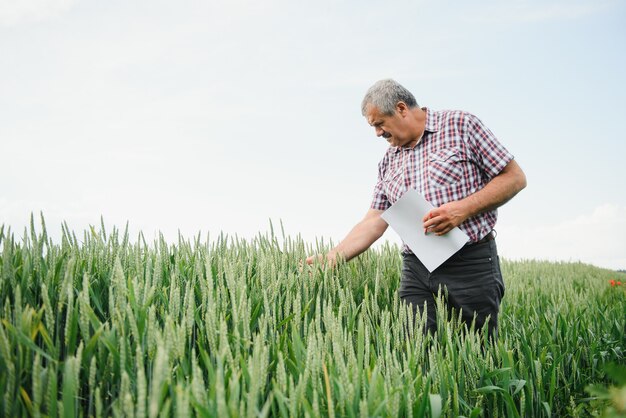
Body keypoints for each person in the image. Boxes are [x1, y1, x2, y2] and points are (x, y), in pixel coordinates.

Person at [305, 79, 527, 340]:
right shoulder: (388, 160)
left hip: (470, 262)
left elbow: (514, 178)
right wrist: (332, 258)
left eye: (379, 124)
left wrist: (462, 210)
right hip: (416, 267)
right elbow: (374, 220)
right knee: (415, 350)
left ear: (401, 109)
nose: (377, 133)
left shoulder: (461, 125)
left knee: (477, 352)